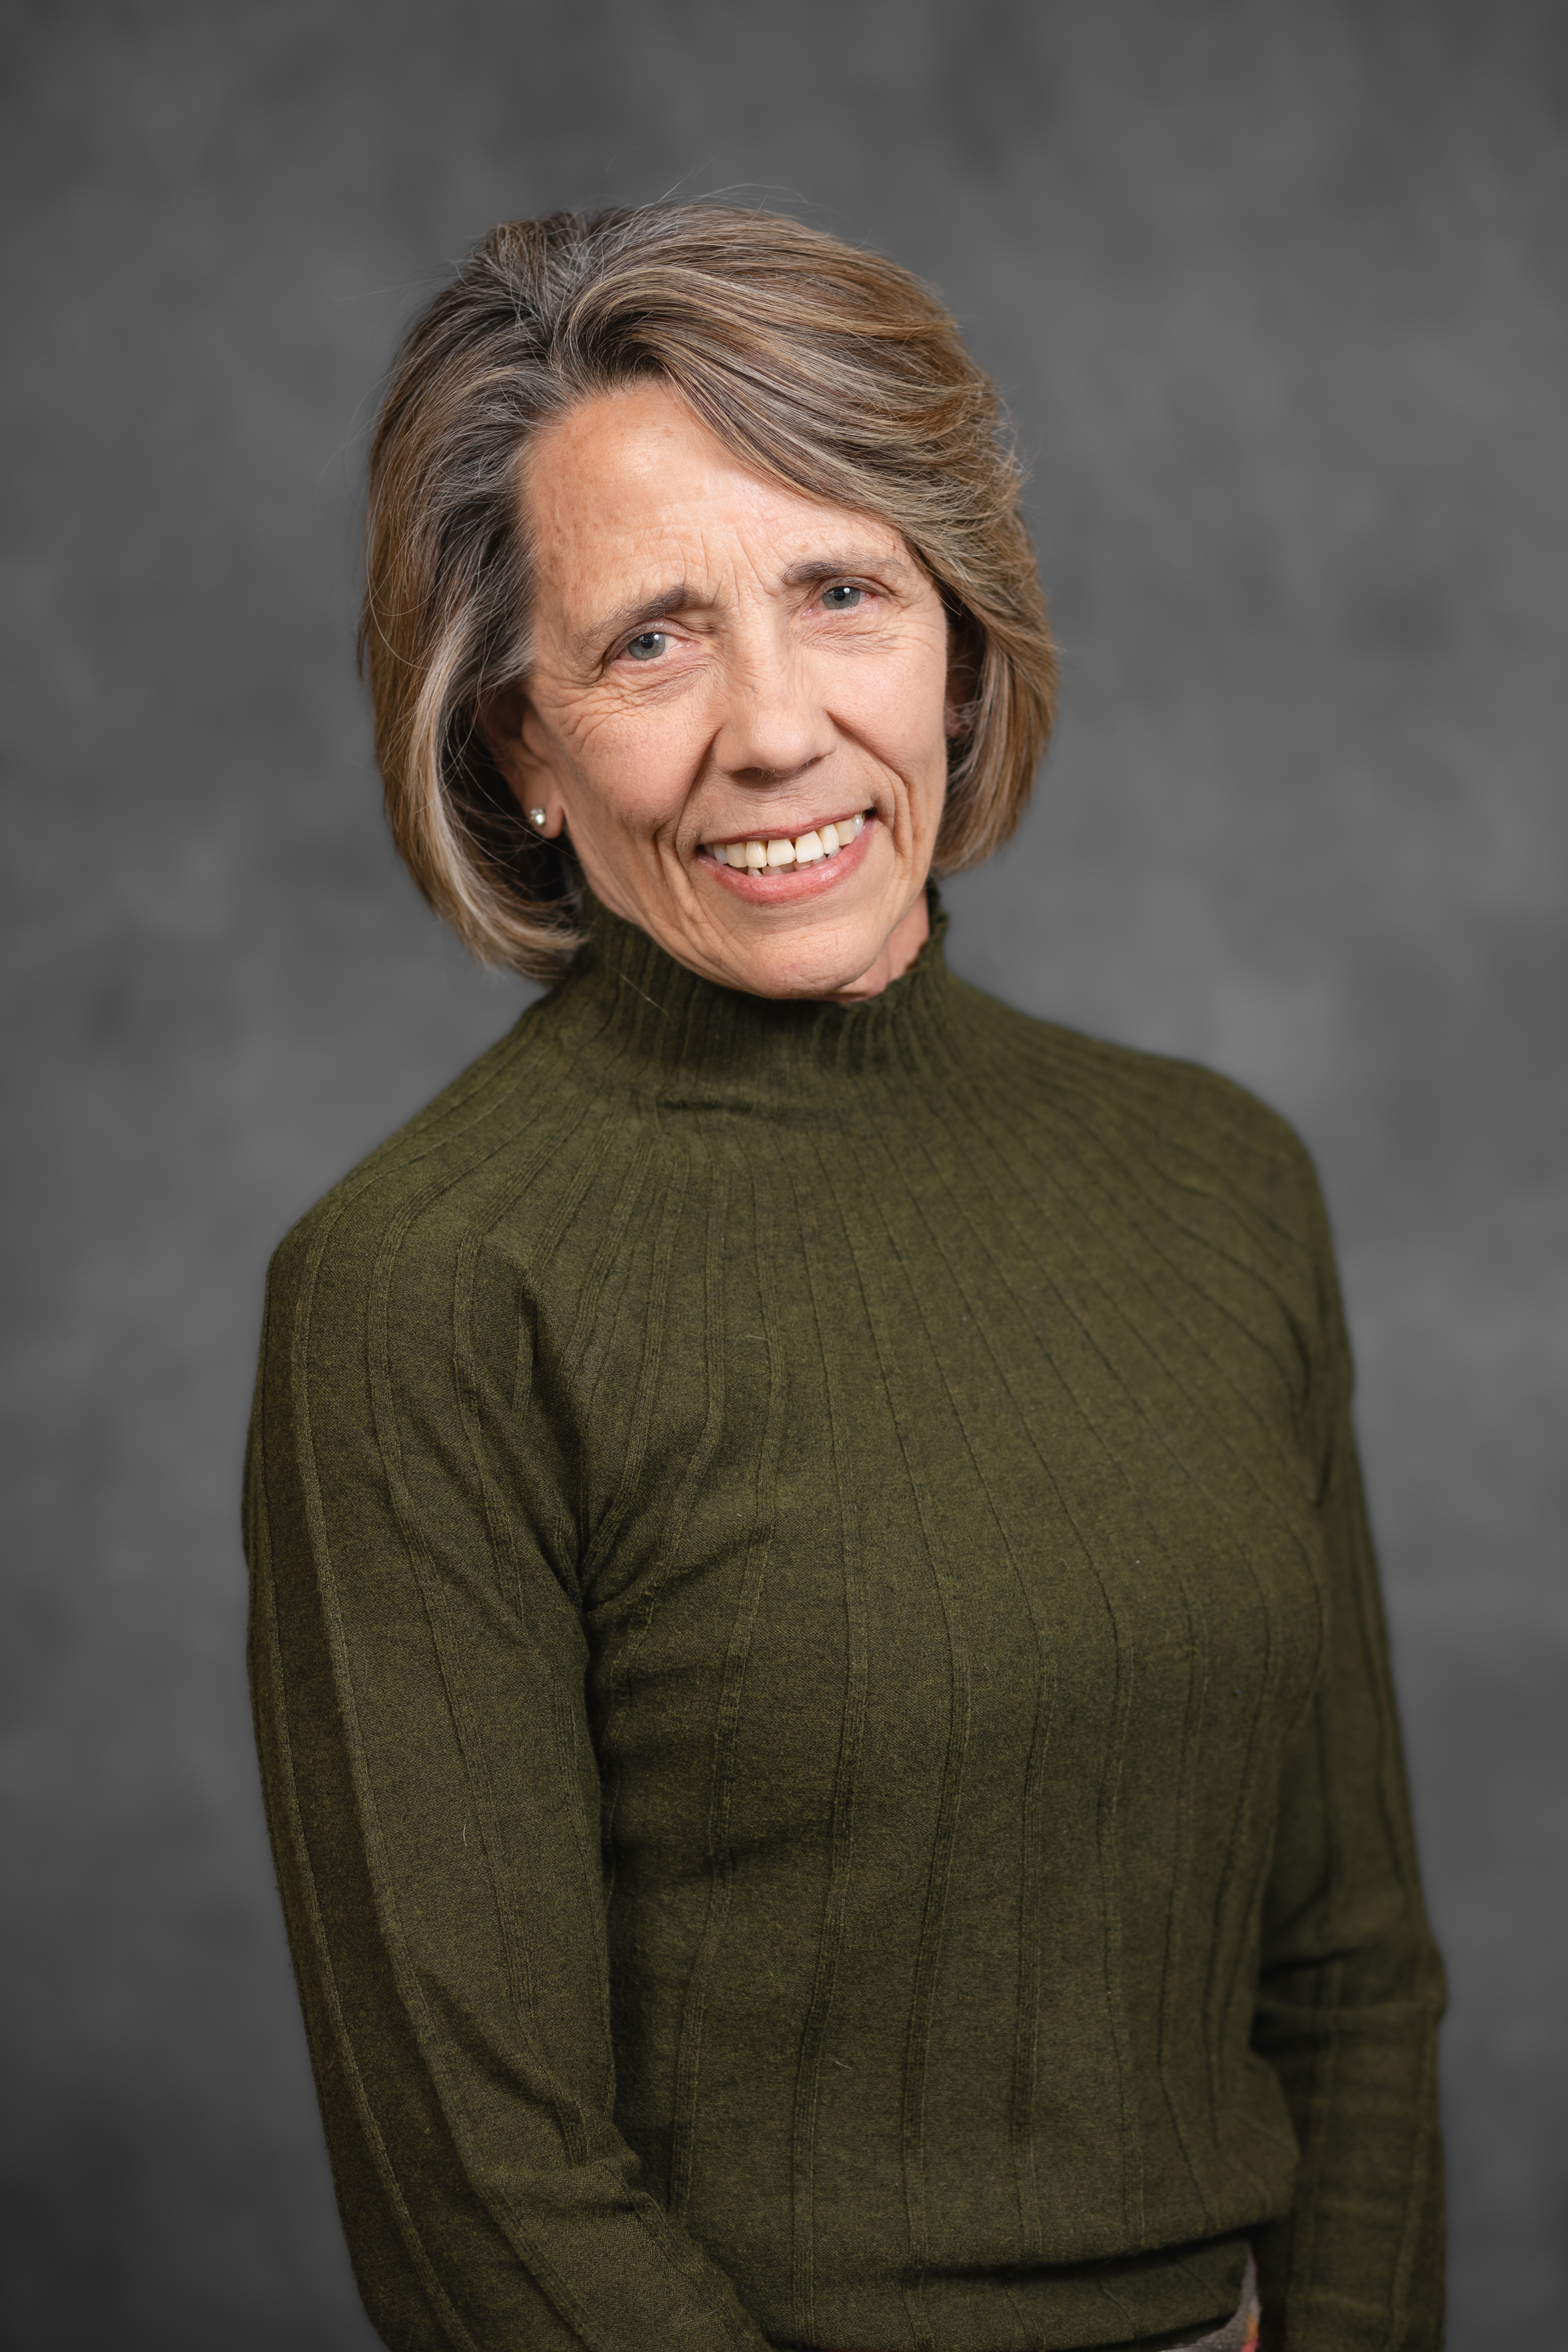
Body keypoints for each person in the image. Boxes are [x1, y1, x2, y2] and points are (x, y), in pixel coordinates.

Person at [244, 206, 1445, 2352]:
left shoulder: (1219, 1185)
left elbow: (1350, 1979)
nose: (778, 729)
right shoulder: (423, 1294)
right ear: (520, 746)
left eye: (842, 592)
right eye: (650, 643)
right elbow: (487, 2181)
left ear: (961, 641)